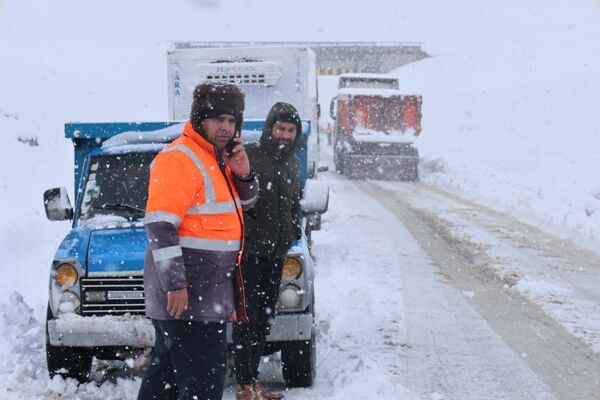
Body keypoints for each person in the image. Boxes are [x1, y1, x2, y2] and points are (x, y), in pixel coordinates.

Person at [138, 82, 259, 400]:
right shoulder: (181, 158)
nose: (226, 127)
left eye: (232, 120)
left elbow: (240, 207)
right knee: (202, 386)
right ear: (200, 118)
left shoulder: (216, 159)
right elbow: (161, 226)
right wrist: (176, 285)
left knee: (167, 377)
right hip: (191, 297)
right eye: (219, 119)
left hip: (206, 293)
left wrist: (243, 173)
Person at [232, 102, 303, 400]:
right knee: (247, 319)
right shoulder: (249, 154)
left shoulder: (293, 163)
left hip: (275, 254)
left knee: (265, 318)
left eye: (290, 130)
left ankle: (253, 380)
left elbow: (293, 204)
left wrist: (293, 229)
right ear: (269, 128)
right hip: (249, 253)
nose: (284, 135)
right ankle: (244, 384)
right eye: (280, 128)